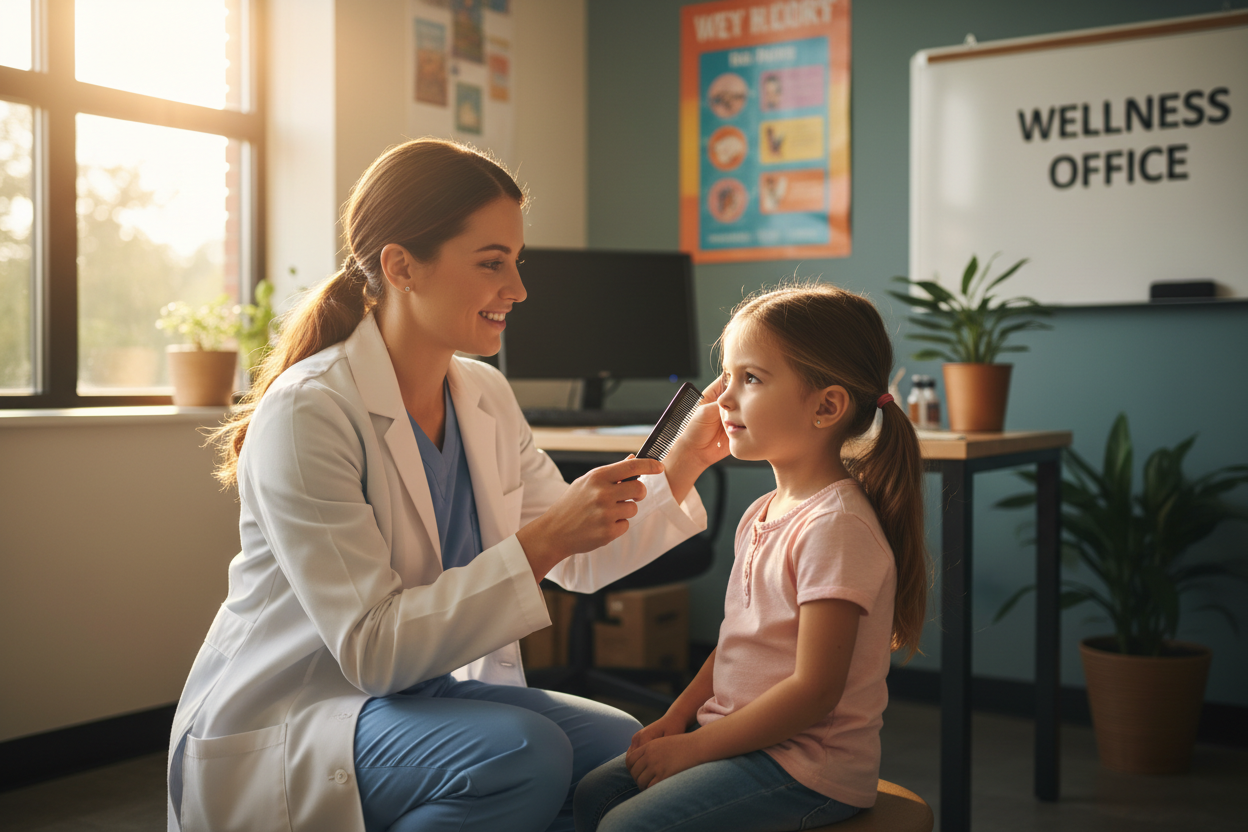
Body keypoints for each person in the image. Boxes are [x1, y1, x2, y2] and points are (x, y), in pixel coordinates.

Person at [166, 138, 728, 832]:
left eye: (517, 263)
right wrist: (543, 539)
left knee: (622, 752)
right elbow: (372, 651)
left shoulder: (483, 394)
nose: (518, 290)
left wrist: (686, 462)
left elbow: (580, 559)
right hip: (306, 706)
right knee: (523, 755)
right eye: (493, 264)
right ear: (402, 266)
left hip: (417, 691)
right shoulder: (310, 409)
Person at [573, 284, 930, 832]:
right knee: (595, 795)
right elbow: (737, 646)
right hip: (746, 743)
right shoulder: (762, 510)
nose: (722, 400)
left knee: (625, 826)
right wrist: (678, 717)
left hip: (806, 768)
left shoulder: (835, 526)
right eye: (727, 375)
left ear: (827, 406)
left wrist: (694, 750)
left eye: (751, 379)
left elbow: (814, 693)